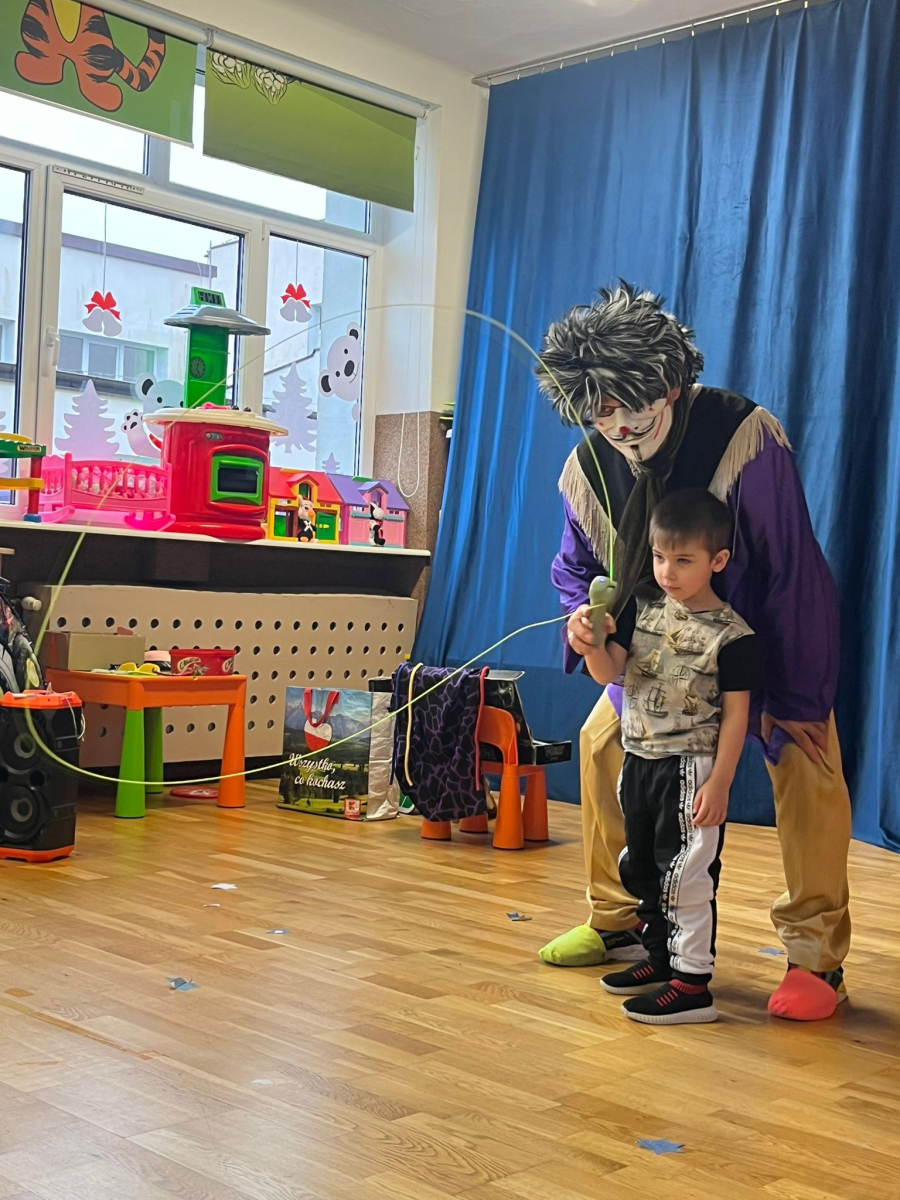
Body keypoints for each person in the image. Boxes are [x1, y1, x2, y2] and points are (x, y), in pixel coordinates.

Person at [535, 284, 852, 1022]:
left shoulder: (743, 436)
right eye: (601, 410)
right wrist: (583, 619)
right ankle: (620, 921)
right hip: (653, 659)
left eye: (631, 404)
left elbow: (790, 570)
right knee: (600, 743)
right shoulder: (589, 464)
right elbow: (575, 568)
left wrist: (795, 696)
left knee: (808, 759)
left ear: (670, 384)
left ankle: (816, 957)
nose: (619, 424)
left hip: (747, 648)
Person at [578, 489, 763, 1024]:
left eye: (683, 560)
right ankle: (660, 959)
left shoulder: (733, 636)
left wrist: (720, 783)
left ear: (717, 561)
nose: (667, 571)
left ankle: (692, 983)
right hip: (638, 759)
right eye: (660, 557)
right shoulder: (641, 606)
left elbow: (737, 717)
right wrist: (592, 642)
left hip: (690, 767)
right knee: (641, 867)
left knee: (685, 875)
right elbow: (609, 672)